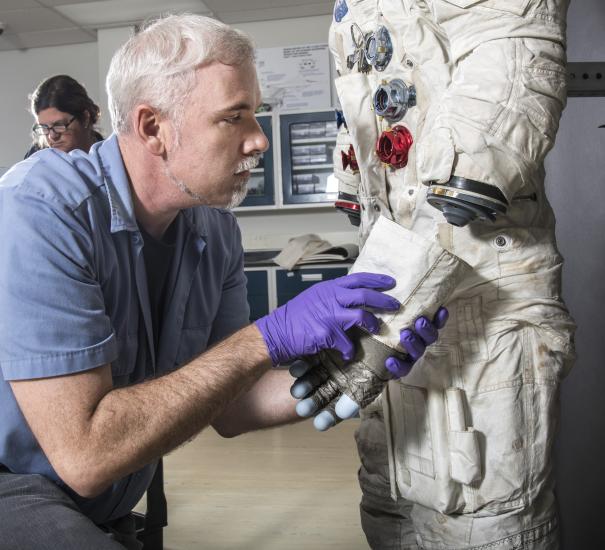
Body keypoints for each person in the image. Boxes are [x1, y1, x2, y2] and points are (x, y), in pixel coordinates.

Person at [0, 14, 444, 549]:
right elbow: (86, 455)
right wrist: (268, 336)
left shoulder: (213, 230)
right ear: (152, 128)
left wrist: (352, 368)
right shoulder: (42, 211)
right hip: (18, 482)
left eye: (254, 115)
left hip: (103, 497)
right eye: (234, 118)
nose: (258, 141)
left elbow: (233, 404)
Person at [308, 0, 576, 549]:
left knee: (484, 517)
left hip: (481, 293)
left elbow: (509, 54)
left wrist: (387, 313)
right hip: (394, 267)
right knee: (391, 504)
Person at [25, 74, 104, 158]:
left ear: (85, 118)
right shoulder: (35, 158)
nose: (52, 136)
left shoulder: (110, 159)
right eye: (44, 127)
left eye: (59, 125)